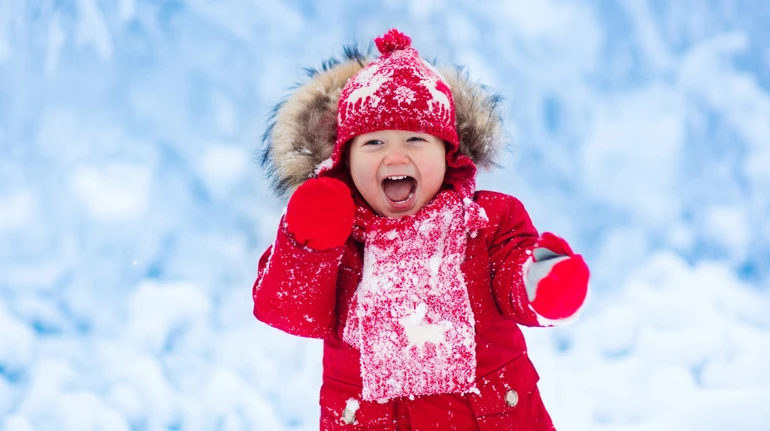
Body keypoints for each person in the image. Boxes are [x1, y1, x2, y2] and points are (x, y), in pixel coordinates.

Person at [253, 28, 590, 431]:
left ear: (449, 155)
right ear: (346, 160)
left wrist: (542, 281)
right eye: (373, 143)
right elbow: (289, 311)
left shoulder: (485, 223)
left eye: (415, 139)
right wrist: (307, 243)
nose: (396, 154)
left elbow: (513, 272)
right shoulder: (339, 240)